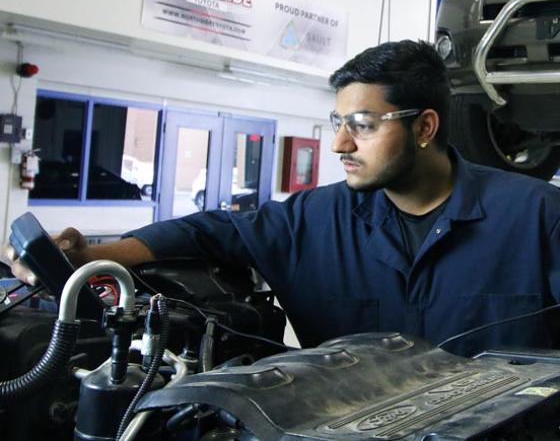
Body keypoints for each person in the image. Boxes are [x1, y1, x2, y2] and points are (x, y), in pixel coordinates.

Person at [6, 39, 560, 357]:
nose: (341, 143)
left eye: (362, 125)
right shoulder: (310, 221)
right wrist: (92, 259)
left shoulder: (538, 218)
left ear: (424, 127)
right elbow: (209, 230)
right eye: (337, 123)